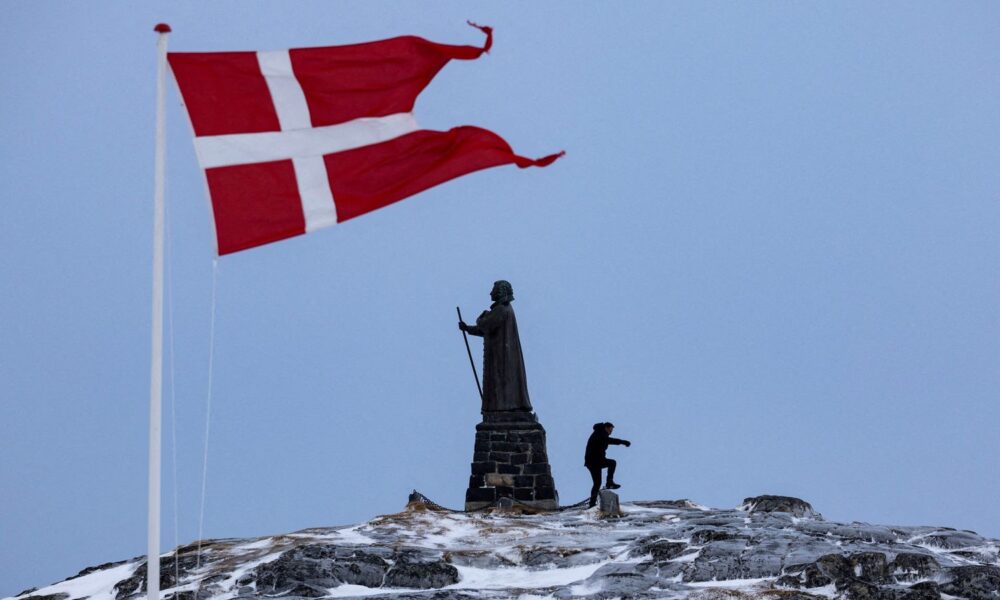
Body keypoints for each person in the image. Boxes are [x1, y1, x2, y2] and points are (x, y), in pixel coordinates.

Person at [459, 280, 533, 413]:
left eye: (493, 290)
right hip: (501, 354)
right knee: (500, 382)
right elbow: (486, 329)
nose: (490, 293)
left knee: (501, 382)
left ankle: (504, 407)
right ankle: (501, 406)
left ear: (500, 292)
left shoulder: (501, 309)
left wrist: (481, 317)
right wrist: (467, 328)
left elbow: (485, 325)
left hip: (502, 356)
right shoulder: (503, 309)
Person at [584, 422, 631, 508]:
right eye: (610, 429)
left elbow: (607, 440)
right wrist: (622, 442)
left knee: (597, 483)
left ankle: (592, 503)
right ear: (606, 427)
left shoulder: (600, 433)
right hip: (595, 461)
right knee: (612, 463)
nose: (611, 431)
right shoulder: (600, 433)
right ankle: (609, 482)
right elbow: (609, 440)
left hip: (593, 461)